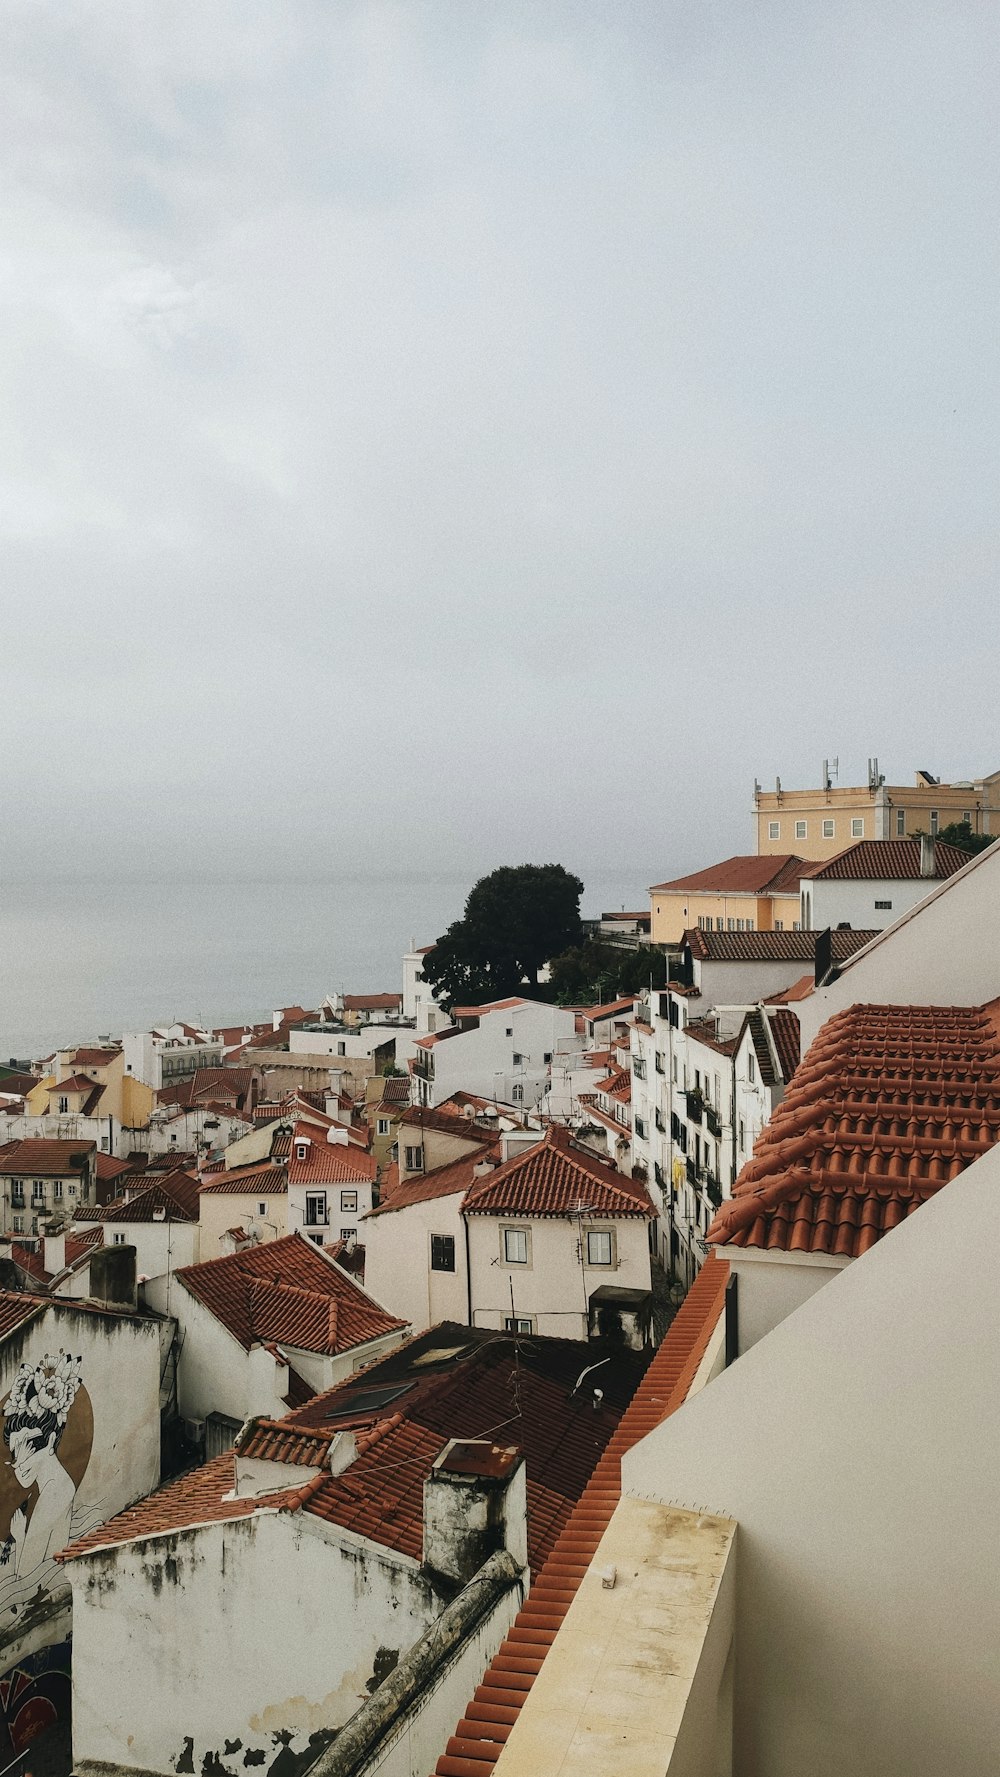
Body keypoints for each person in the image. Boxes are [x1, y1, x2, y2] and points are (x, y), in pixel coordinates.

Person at [1, 1353, 83, 1603]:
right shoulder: (54, 1486)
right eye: (14, 1457)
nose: (19, 1466)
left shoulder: (54, 1492)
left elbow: (23, 1579)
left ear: (49, 1441)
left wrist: (21, 1536)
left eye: (27, 1453)